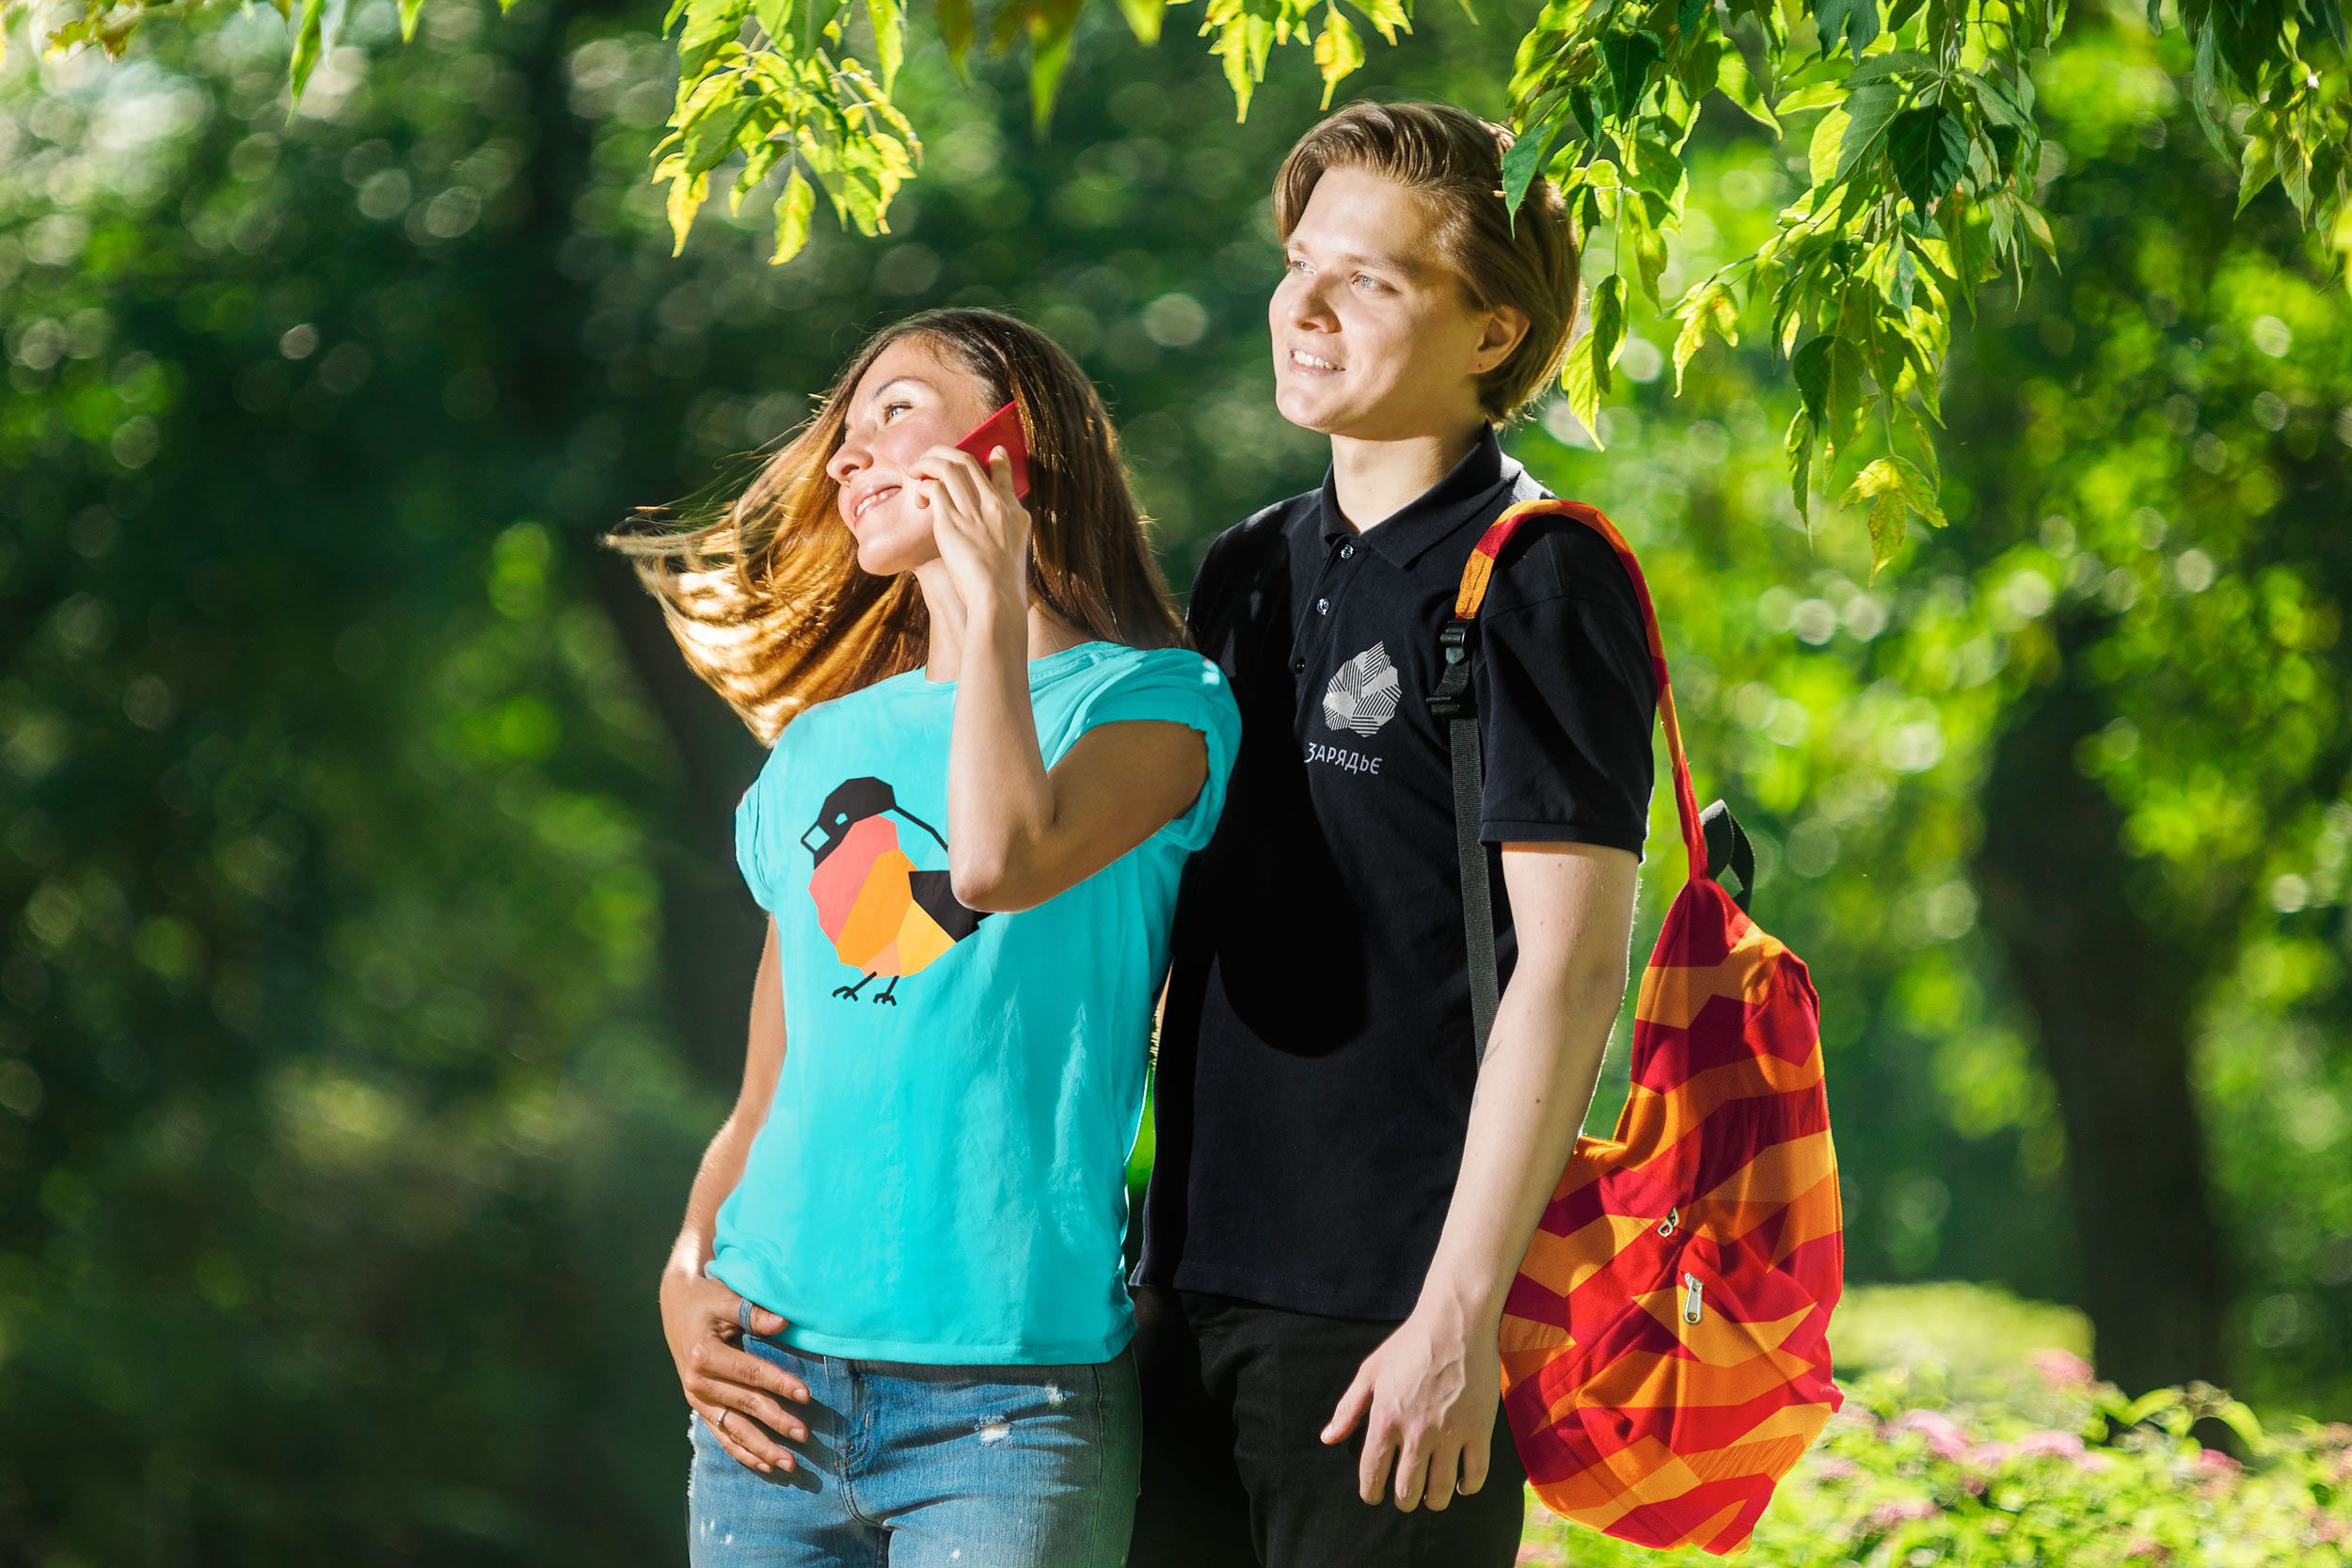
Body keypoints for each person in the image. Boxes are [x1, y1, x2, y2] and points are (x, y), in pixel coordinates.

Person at [610, 307, 1241, 1568]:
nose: (848, 457)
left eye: (894, 410)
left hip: (1010, 1403)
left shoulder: (1155, 704)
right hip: (770, 1388)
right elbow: (765, 1097)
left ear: (1019, 443)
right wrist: (684, 1270)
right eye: (842, 434)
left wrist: (993, 599)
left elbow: (1002, 861)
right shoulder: (818, 749)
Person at [1127, 102, 1661, 1568]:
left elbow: (1571, 972)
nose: (1304, 307)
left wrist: (1456, 1318)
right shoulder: (1244, 566)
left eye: (1367, 279)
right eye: (1300, 263)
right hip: (1178, 1288)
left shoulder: (1539, 575)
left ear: (1493, 330)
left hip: (1387, 1319)